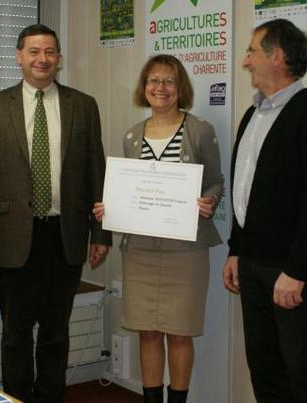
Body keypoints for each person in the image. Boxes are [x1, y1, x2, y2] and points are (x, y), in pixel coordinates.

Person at [0, 24, 111, 403]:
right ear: (19, 56)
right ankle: (16, 398)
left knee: (55, 330)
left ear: (59, 58)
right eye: (33, 51)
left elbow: (97, 172)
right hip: (12, 236)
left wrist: (101, 233)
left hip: (66, 234)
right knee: (15, 332)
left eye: (49, 51)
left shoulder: (83, 105)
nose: (42, 59)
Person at [222, 19, 307, 403]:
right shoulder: (253, 115)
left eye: (251, 52)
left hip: (290, 271)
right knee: (265, 368)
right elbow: (245, 191)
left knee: (301, 370)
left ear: (277, 56)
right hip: (253, 266)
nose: (245, 62)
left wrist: (297, 271)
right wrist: (236, 250)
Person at [93, 54, 223, 403]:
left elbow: (215, 182)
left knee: (179, 333)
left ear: (180, 87)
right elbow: (129, 191)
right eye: (153, 81)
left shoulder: (199, 130)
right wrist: (112, 208)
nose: (160, 88)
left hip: (185, 250)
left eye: (168, 81)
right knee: (148, 332)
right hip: (141, 250)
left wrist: (209, 202)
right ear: (144, 87)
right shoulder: (133, 136)